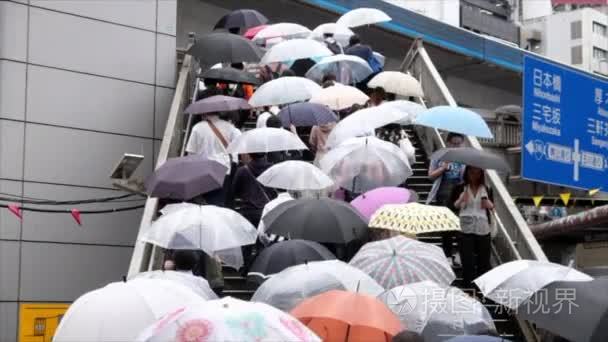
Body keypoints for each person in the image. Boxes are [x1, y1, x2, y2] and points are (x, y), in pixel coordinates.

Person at [427, 132, 466, 265]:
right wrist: (443, 167)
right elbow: (431, 176)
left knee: (461, 225)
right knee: (446, 225)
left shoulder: (465, 158)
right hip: (443, 193)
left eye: (458, 144)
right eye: (453, 143)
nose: (456, 146)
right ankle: (447, 254)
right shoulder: (439, 156)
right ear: (448, 142)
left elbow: (469, 177)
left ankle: (460, 253)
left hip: (459, 193)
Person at [452, 166, 494, 288]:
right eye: (471, 172)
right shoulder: (460, 187)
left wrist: (488, 204)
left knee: (484, 262)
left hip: (483, 228)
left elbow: (492, 208)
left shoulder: (487, 189)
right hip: (465, 228)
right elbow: (453, 206)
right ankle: (468, 289)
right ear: (467, 173)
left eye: (477, 173)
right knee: (467, 261)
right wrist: (461, 200)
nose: (474, 175)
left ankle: (481, 290)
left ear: (481, 174)